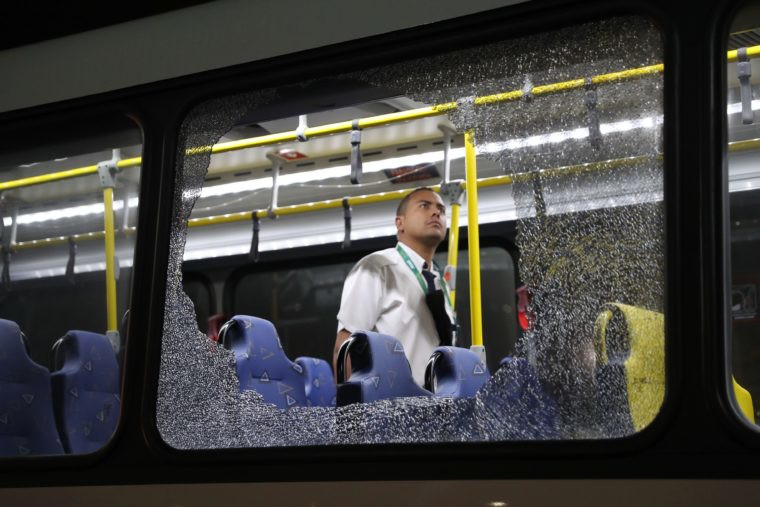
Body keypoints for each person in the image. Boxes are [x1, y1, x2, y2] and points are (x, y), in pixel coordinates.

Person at [333, 187, 455, 386]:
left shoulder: (438, 280)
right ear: (400, 223)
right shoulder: (375, 267)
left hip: (437, 403)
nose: (436, 212)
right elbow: (345, 346)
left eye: (441, 209)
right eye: (424, 206)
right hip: (390, 404)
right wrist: (351, 412)